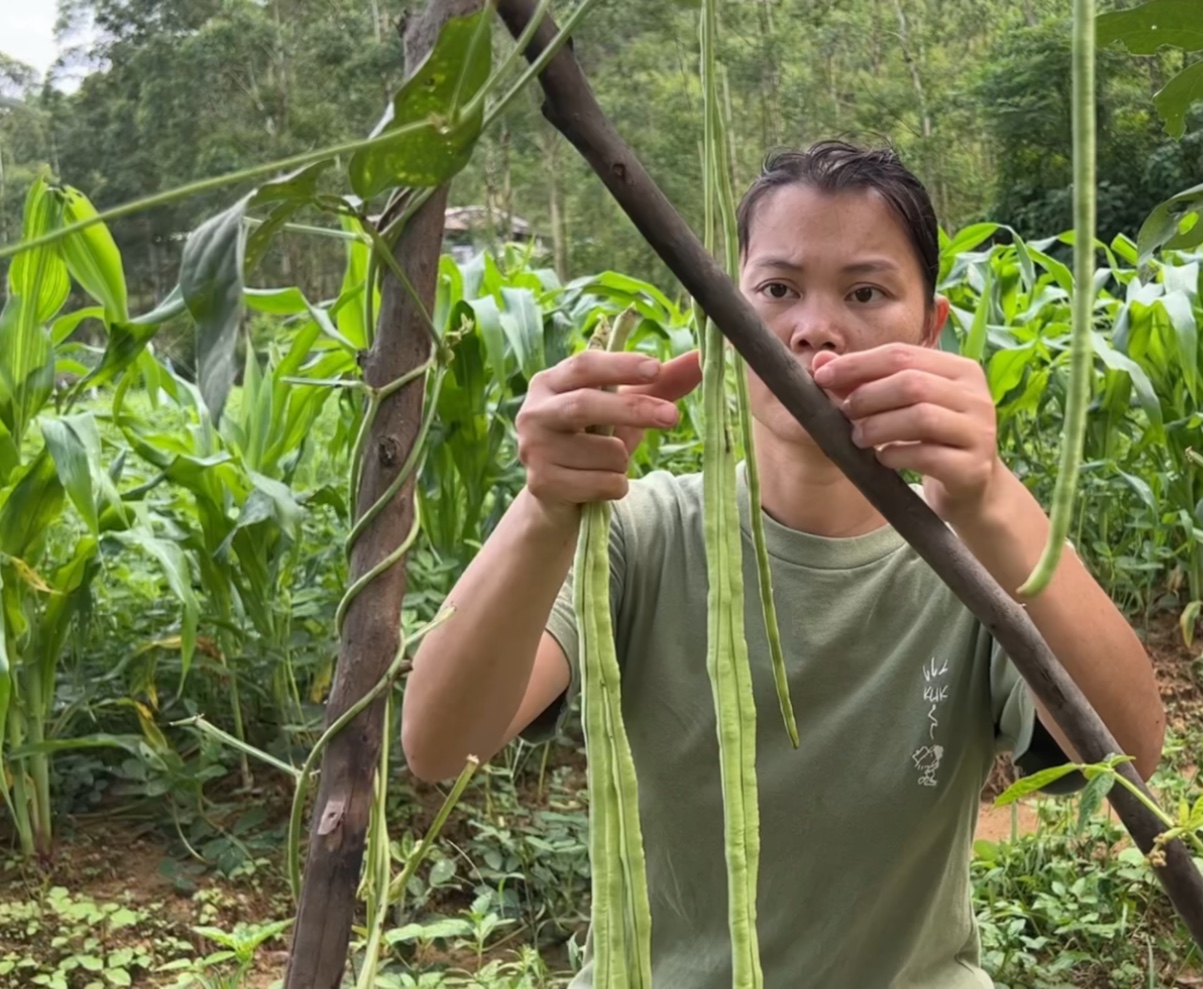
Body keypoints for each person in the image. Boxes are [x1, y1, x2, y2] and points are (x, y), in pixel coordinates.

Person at [401, 140, 1164, 987]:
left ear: (931, 329)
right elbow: (440, 742)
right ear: (725, 322)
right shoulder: (640, 534)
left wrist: (990, 499)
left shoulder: (974, 561)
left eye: (865, 291)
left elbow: (1129, 755)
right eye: (776, 290)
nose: (813, 328)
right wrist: (545, 504)